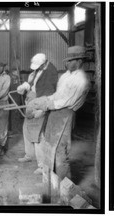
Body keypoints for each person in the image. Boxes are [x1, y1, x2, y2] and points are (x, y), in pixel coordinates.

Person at [28, 46, 90, 180]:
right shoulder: (66, 75)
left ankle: (64, 182)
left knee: (61, 150)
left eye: (70, 60)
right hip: (55, 113)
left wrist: (46, 104)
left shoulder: (80, 79)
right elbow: (57, 95)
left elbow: (66, 101)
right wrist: (44, 99)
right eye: (66, 60)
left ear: (79, 61)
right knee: (49, 145)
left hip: (65, 115)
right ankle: (52, 179)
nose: (66, 63)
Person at [16, 53, 58, 175]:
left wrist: (42, 110)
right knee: (26, 129)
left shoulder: (51, 72)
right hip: (31, 101)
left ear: (44, 63)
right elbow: (33, 83)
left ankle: (42, 165)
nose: (36, 68)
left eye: (38, 66)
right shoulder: (39, 69)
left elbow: (50, 93)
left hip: (40, 102)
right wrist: (25, 85)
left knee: (38, 134)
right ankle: (29, 154)